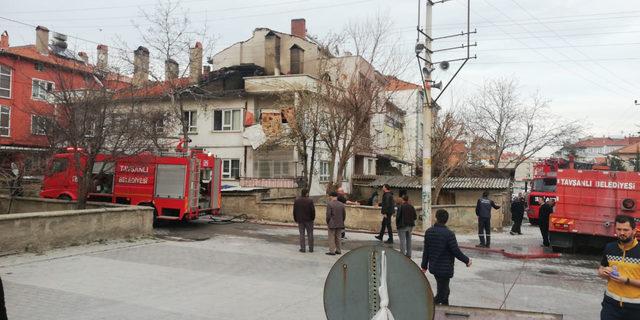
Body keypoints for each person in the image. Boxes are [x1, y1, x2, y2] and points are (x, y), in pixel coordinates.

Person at [421, 209, 472, 305]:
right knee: (441, 295)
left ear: (436, 218)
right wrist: (467, 260)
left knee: (445, 291)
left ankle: (445, 309)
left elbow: (426, 250)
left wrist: (424, 266)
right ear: (446, 220)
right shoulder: (449, 234)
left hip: (435, 267)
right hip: (445, 269)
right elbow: (456, 251)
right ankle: (429, 310)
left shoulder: (429, 232)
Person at [597, 215, 640, 320]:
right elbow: (601, 268)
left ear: (634, 231)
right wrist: (602, 272)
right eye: (619, 229)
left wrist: (626, 280)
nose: (622, 233)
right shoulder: (610, 247)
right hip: (610, 305)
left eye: (626, 230)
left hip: (635, 308)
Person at [293, 188, 315, 253]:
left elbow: (294, 211)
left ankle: (303, 248)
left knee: (302, 234)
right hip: (309, 220)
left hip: (300, 220)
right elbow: (313, 211)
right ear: (306, 193)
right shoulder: (310, 200)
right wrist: (312, 218)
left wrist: (295, 218)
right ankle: (311, 248)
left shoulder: (297, 200)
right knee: (310, 234)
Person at [325, 191, 346, 256]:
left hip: (332, 223)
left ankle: (332, 251)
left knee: (331, 237)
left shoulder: (329, 204)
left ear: (331, 196)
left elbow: (328, 215)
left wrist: (327, 221)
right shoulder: (342, 204)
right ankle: (338, 250)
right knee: (338, 237)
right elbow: (344, 215)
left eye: (330, 196)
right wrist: (342, 221)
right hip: (340, 223)